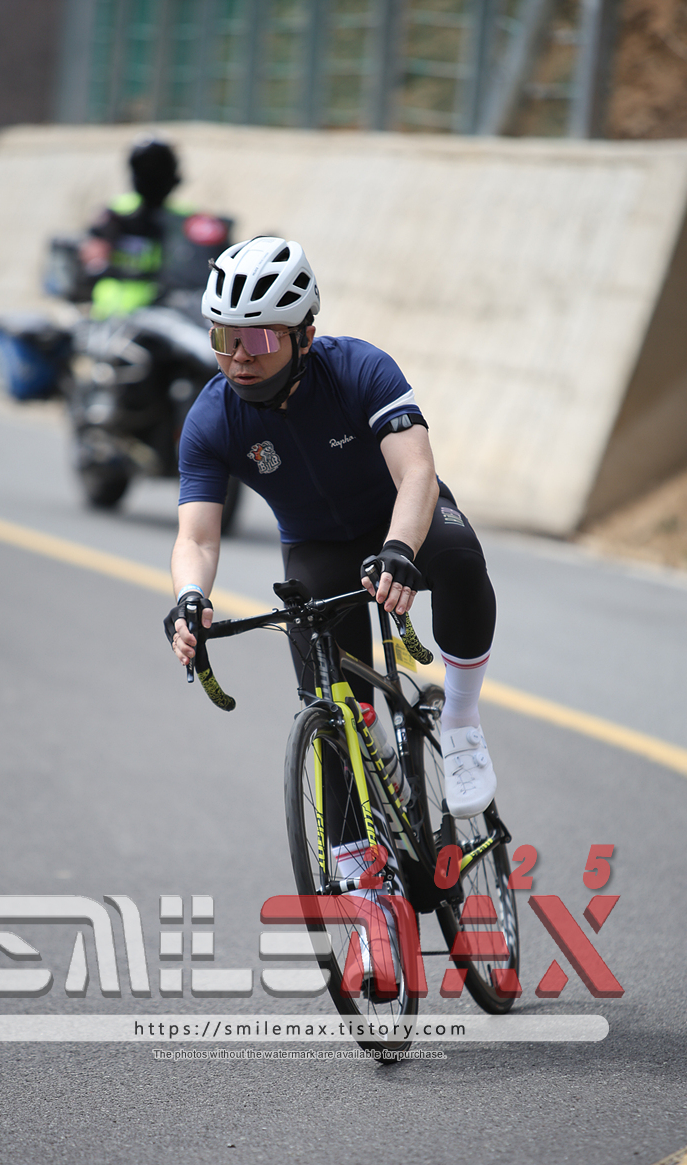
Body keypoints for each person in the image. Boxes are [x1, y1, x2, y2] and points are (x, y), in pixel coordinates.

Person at [165, 236, 499, 823]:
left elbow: (417, 472)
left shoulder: (359, 368)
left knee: (461, 560)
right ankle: (357, 861)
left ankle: (462, 723)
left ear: (304, 337)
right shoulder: (211, 419)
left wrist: (400, 547)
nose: (239, 357)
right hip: (316, 548)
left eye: (258, 339)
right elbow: (196, 537)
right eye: (224, 338)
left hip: (402, 521)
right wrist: (191, 597)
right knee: (331, 715)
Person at [79, 137, 186, 318]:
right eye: (147, 169)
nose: (153, 177)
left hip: (171, 312)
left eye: (159, 169)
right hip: (115, 315)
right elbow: (93, 255)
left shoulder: (184, 217)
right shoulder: (115, 213)